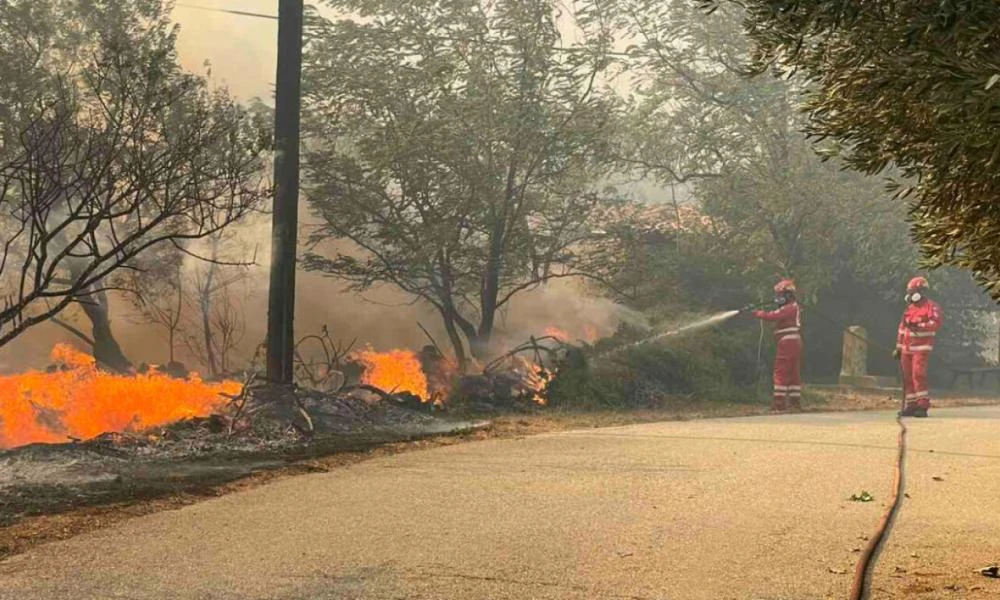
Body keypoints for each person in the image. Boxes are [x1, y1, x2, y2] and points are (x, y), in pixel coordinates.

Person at [893, 276, 943, 418]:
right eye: (909, 292)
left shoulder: (932, 307)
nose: (910, 295)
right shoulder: (909, 309)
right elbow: (902, 329)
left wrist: (919, 326)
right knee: (907, 377)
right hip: (906, 349)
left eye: (913, 291)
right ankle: (911, 405)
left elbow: (936, 323)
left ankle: (922, 405)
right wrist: (898, 347)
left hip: (921, 348)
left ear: (921, 292)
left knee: (918, 375)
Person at [753, 279, 802, 412]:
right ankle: (794, 402)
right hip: (794, 342)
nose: (778, 298)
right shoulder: (793, 306)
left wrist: (758, 313)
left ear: (788, 295)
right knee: (793, 372)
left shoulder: (789, 308)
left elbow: (772, 316)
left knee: (780, 370)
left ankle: (779, 404)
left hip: (787, 342)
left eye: (780, 295)